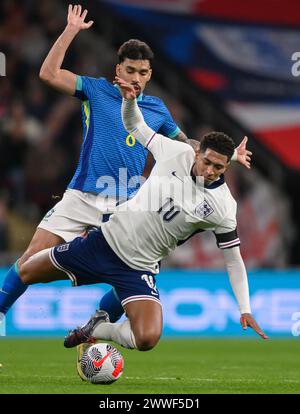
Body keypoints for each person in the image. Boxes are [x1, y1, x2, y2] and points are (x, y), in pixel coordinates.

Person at [0, 4, 251, 325]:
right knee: (28, 262)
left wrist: (226, 156)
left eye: (143, 73)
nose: (136, 78)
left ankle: (95, 325)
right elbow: (48, 74)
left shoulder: (156, 109)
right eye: (130, 70)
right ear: (118, 70)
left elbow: (187, 146)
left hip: (127, 207)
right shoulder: (96, 90)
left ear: (149, 75)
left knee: (134, 275)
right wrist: (71, 31)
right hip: (81, 196)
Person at [18, 77, 268, 361]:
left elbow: (233, 259)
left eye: (219, 167)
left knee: (147, 338)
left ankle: (99, 328)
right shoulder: (176, 151)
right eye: (207, 162)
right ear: (197, 152)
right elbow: (136, 126)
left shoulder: (223, 206)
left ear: (226, 168)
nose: (210, 170)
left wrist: (245, 308)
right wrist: (128, 100)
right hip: (104, 242)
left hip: (138, 267)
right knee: (26, 271)